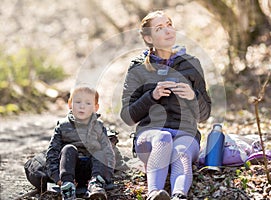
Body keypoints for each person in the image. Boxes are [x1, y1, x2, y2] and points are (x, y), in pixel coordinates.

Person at [120, 10, 212, 200]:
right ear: (148, 37)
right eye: (160, 28)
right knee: (163, 138)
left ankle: (179, 195)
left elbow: (204, 114)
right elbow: (127, 116)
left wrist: (192, 96)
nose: (168, 30)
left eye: (169, 24)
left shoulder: (191, 63)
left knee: (181, 151)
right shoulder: (137, 67)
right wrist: (152, 96)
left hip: (185, 134)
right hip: (150, 136)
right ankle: (154, 194)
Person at [46, 85, 115, 200]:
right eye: (78, 102)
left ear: (95, 107)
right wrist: (57, 178)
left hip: (92, 170)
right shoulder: (62, 126)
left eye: (88, 103)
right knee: (68, 149)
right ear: (70, 104)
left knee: (99, 151)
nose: (82, 106)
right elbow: (52, 154)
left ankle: (96, 185)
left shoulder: (99, 126)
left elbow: (109, 153)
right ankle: (67, 188)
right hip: (69, 171)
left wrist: (106, 176)